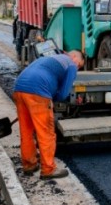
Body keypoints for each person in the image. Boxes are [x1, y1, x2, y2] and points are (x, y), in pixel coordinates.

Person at [13, 51, 85, 180]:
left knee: (26, 131)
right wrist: (52, 100)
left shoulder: (51, 58)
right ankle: (48, 169)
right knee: (46, 132)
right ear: (74, 57)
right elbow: (62, 94)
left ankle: (29, 165)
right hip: (38, 91)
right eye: (80, 65)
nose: (77, 68)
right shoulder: (71, 64)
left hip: (19, 88)